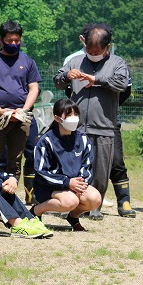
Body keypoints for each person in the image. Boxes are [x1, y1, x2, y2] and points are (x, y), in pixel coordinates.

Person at [53, 25, 129, 220]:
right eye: (89, 50)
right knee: (74, 168)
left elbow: (121, 83)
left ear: (107, 47)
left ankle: (95, 207)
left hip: (104, 126)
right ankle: (72, 206)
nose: (92, 54)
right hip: (75, 127)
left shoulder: (117, 63)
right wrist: (66, 76)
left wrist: (96, 79)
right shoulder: (75, 61)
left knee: (101, 170)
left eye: (97, 51)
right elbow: (57, 81)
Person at [0, 20, 39, 179]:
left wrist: (24, 110)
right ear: (1, 41)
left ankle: (11, 198)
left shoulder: (28, 62)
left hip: (22, 117)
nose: (13, 44)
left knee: (15, 160)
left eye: (17, 41)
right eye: (9, 41)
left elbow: (34, 88)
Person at [30, 99, 101, 231]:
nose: (74, 119)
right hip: (48, 188)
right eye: (68, 115)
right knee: (71, 201)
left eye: (76, 114)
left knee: (95, 198)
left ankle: (73, 217)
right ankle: (36, 210)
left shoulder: (83, 139)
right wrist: (67, 183)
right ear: (57, 118)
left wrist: (80, 183)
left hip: (74, 186)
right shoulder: (45, 141)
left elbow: (88, 166)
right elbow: (41, 171)